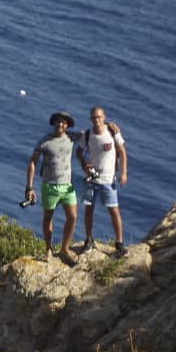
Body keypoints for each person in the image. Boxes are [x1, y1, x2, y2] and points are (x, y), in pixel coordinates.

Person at [24, 112, 83, 264]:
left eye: (63, 122)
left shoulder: (72, 137)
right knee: (48, 217)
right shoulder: (44, 142)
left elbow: (92, 134)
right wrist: (29, 187)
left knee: (73, 217)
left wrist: (109, 126)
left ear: (67, 125)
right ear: (53, 123)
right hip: (49, 186)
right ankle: (48, 250)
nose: (60, 124)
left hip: (67, 186)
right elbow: (32, 163)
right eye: (57, 122)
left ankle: (64, 248)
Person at [76, 105, 128, 254]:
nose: (96, 120)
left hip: (108, 180)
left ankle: (119, 243)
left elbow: (122, 153)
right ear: (90, 119)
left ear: (104, 117)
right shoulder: (87, 134)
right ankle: (88, 240)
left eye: (99, 117)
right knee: (88, 210)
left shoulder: (112, 132)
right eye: (93, 117)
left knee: (114, 211)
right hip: (91, 179)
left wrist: (123, 173)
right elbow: (79, 152)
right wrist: (84, 163)